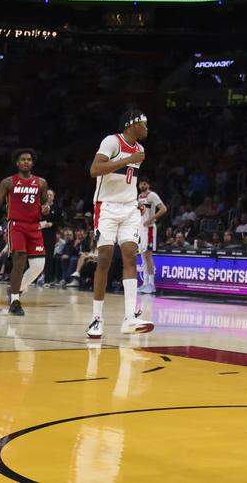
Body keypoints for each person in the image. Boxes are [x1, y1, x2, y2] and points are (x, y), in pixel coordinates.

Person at [86, 109, 154, 338]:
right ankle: (97, 319)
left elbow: (128, 181)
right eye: (143, 124)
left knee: (129, 256)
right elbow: (95, 170)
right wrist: (127, 160)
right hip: (106, 207)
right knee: (104, 259)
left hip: (129, 209)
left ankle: (129, 319)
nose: (146, 128)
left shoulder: (141, 149)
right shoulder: (112, 141)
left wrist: (136, 201)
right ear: (131, 124)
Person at [0, 149, 49, 316]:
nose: (26, 162)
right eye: (23, 159)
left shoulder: (41, 182)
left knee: (38, 265)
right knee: (19, 258)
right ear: (17, 163)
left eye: (29, 159)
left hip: (34, 226)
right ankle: (15, 300)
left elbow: (44, 205)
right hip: (16, 225)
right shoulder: (8, 182)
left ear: (32, 163)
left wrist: (47, 207)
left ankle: (15, 289)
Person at [136, 178, 167, 295]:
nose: (142, 185)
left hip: (149, 229)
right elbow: (140, 213)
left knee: (148, 257)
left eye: (144, 183)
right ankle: (144, 284)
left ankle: (152, 285)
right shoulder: (139, 197)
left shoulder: (152, 195)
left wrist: (151, 219)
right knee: (143, 257)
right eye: (140, 183)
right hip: (141, 229)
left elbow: (164, 209)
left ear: (148, 185)